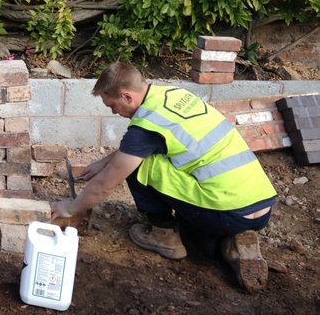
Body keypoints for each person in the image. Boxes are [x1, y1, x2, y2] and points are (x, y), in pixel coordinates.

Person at [51, 61, 277, 292]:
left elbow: (105, 184)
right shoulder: (173, 95)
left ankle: (165, 236)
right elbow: (149, 143)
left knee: (139, 166)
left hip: (226, 211)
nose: (112, 112)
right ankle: (231, 243)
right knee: (198, 234)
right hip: (259, 204)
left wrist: (72, 207)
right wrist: (103, 161)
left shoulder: (145, 128)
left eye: (112, 105)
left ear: (127, 97)